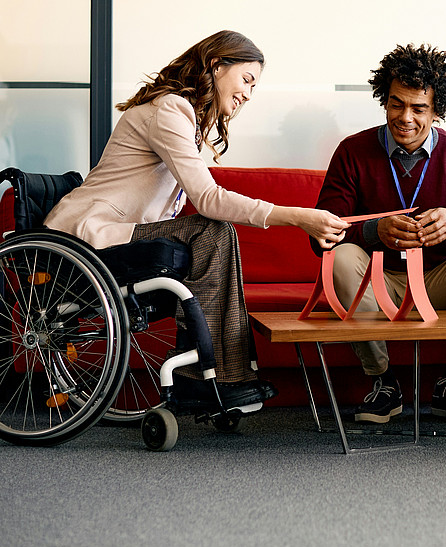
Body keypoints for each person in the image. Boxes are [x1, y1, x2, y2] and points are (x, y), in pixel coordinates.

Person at [44, 30, 349, 408]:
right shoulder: (170, 109)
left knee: (213, 234)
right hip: (89, 236)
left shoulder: (184, 116)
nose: (248, 95)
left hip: (120, 236)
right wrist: (297, 217)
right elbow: (208, 198)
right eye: (247, 80)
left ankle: (221, 376)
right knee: (211, 229)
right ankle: (205, 377)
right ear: (217, 65)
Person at [313, 43, 446, 425]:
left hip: (440, 279)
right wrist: (375, 231)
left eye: (418, 108)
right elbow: (320, 237)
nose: (405, 117)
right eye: (396, 104)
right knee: (339, 257)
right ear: (384, 101)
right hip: (377, 281)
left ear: (437, 110)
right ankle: (383, 384)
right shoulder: (352, 151)